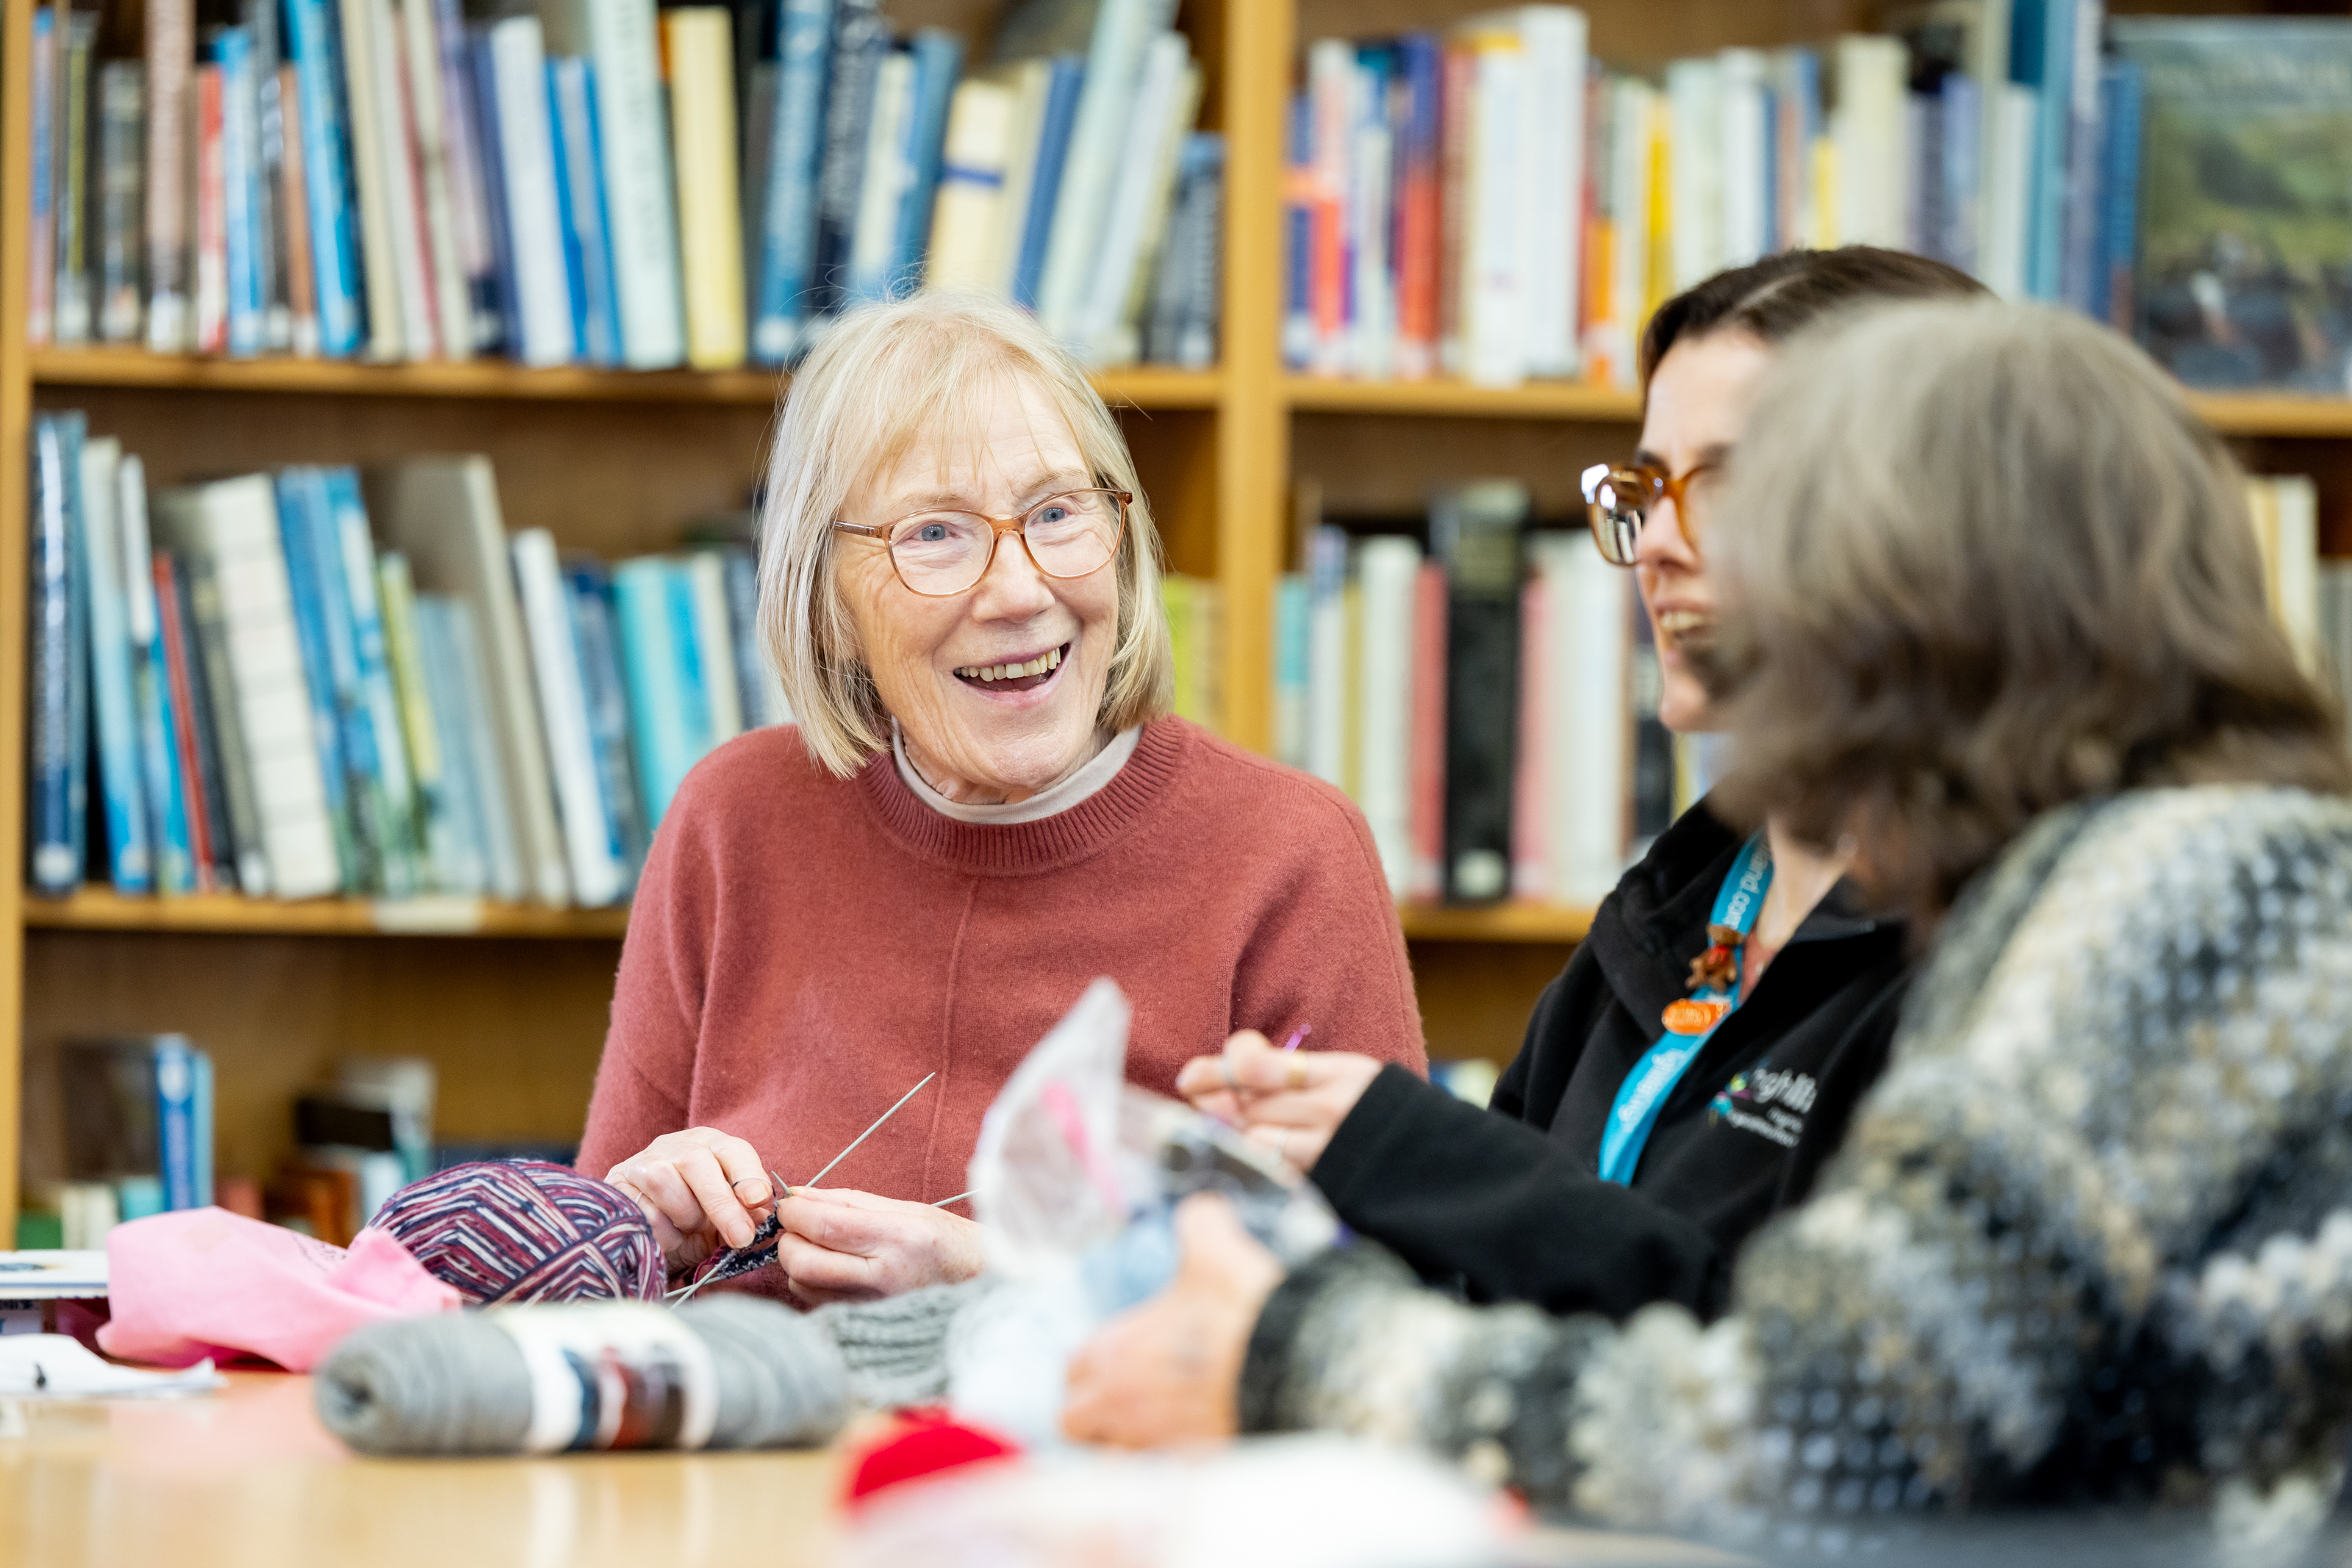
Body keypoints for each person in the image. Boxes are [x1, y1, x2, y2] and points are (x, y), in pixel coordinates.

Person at [1066, 300, 2352, 1558]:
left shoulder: (2186, 896)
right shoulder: (2169, 873)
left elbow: (1810, 1429)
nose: (1701, 578)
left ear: (1953, 592)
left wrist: (1299, 1345)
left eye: (1792, 538)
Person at [1180, 248, 1985, 1320]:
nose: (1652, 542)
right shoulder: (1670, 909)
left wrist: (1425, 1155)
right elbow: (1484, 1299)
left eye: (1727, 485)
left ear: (1925, 519)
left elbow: (1809, 1382)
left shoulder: (1997, 949)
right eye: (1647, 488)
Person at [577, 293, 1427, 1305]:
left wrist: (995, 1278)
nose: (1020, 590)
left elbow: (1378, 1317)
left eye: (1058, 512)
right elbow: (571, 1292)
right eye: (934, 533)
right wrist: (634, 1230)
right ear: (828, 602)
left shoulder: (1291, 855)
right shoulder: (734, 819)